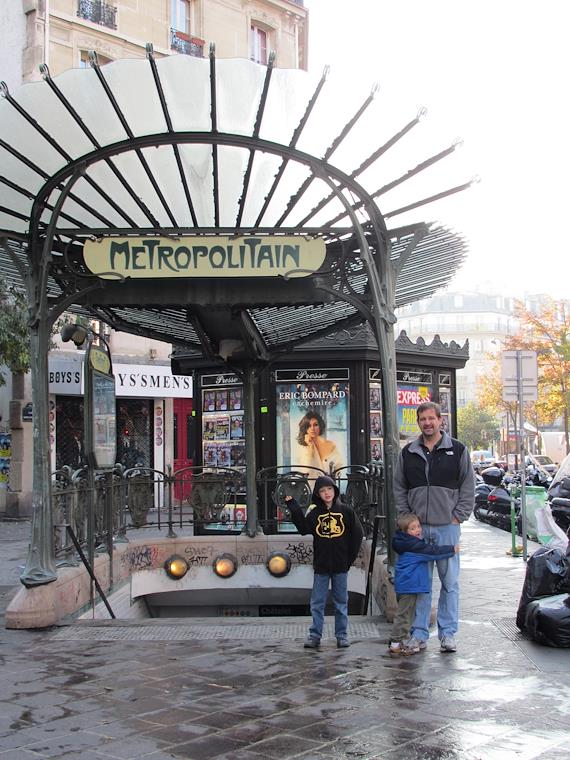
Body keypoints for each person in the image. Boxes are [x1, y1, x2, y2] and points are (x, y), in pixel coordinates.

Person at [394, 401, 475, 654]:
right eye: (423, 419)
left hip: (447, 528)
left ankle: (447, 633)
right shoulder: (408, 452)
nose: (427, 423)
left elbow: (468, 485)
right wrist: (407, 517)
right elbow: (399, 487)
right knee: (421, 585)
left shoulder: (458, 450)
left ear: (440, 420)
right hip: (417, 531)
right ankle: (419, 634)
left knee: (450, 583)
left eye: (432, 418)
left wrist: (458, 516)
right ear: (418, 422)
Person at [287, 475, 363, 649]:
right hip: (321, 565)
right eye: (322, 491)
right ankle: (315, 636)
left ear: (334, 490)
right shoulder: (315, 514)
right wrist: (294, 508)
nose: (327, 493)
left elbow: (357, 535)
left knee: (341, 602)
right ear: (318, 494)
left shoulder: (346, 511)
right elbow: (303, 529)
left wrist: (349, 559)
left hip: (340, 565)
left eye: (329, 489)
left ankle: (342, 635)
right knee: (317, 603)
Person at [389, 513, 460, 656]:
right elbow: (433, 552)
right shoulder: (415, 546)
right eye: (413, 528)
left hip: (404, 586)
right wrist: (451, 550)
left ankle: (403, 639)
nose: (418, 530)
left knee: (404, 614)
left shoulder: (403, 542)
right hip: (410, 587)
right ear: (405, 532)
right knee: (404, 616)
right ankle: (395, 642)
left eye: (418, 527)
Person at [296, 410, 344, 477]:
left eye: (315, 425)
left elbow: (338, 470)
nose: (312, 428)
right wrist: (310, 448)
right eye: (309, 426)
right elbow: (306, 471)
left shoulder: (331, 445)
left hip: (328, 482)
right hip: (310, 483)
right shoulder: (302, 448)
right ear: (305, 428)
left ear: (320, 426)